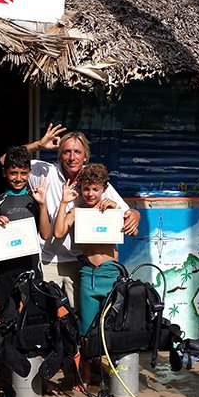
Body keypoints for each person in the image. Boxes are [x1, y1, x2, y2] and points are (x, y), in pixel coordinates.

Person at [15, 125, 140, 311]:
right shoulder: (44, 171)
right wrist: (38, 145)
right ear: (59, 155)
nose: (72, 157)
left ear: (85, 156)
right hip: (49, 260)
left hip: (80, 263)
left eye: (77, 152)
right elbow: (6, 161)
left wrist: (135, 216)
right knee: (47, 316)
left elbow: (126, 212)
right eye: (66, 152)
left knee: (81, 317)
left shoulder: (93, 181)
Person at [54, 163, 128, 388]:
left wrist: (119, 209)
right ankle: (85, 374)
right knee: (85, 328)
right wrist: (65, 203)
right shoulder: (77, 211)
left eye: (95, 189)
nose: (90, 194)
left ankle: (116, 373)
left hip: (110, 273)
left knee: (113, 326)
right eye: (86, 189)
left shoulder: (113, 208)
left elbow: (131, 220)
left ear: (104, 188)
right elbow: (57, 233)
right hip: (87, 273)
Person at [0, 145, 51, 312]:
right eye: (13, 173)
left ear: (29, 172)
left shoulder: (35, 198)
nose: (18, 178)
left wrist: (43, 205)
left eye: (23, 173)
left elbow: (45, 234)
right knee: (6, 319)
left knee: (33, 318)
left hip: (31, 267)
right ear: (4, 172)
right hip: (6, 271)